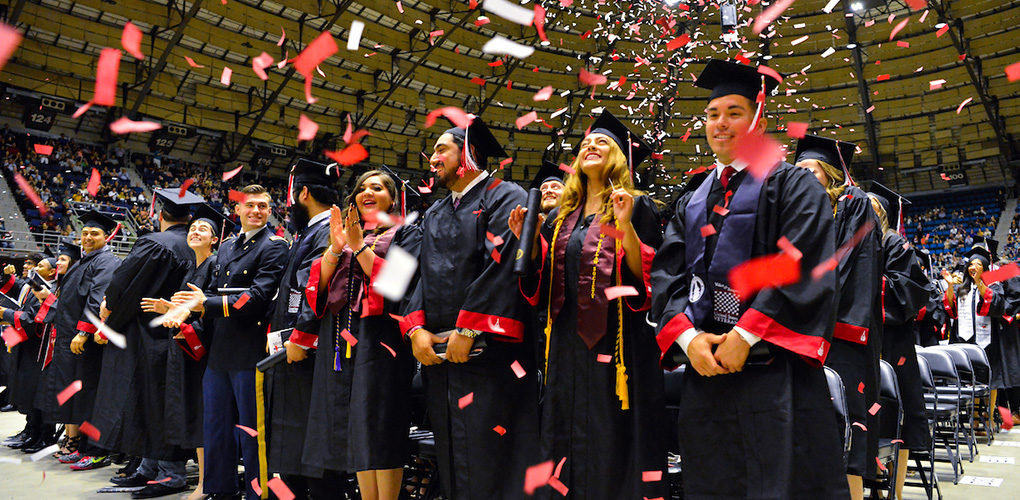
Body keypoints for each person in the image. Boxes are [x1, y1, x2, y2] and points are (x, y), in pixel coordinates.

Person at [650, 59, 849, 499]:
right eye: (712, 113)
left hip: (776, 377)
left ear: (758, 118)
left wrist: (746, 333)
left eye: (734, 112)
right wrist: (688, 340)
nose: (720, 123)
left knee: (781, 483)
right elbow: (668, 274)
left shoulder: (795, 186)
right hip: (705, 375)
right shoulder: (692, 200)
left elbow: (801, 263)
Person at [509, 111, 667, 499]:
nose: (590, 147)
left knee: (609, 435)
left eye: (601, 142)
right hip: (565, 346)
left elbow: (643, 282)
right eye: (585, 144)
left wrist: (625, 224)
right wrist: (526, 244)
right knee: (562, 435)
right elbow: (540, 287)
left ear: (619, 157)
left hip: (618, 346)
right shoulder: (560, 218)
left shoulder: (637, 206)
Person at [401, 117, 540, 499]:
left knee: (495, 456)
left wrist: (468, 330)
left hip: (491, 359)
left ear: (469, 153)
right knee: (452, 457)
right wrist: (416, 330)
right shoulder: (436, 212)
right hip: (442, 362)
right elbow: (419, 277)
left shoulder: (505, 195)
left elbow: (505, 267)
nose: (432, 159)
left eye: (440, 149)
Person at [309, 170, 421, 500]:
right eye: (361, 188)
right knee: (355, 425)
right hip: (341, 341)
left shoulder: (408, 232)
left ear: (393, 198)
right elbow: (318, 289)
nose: (367, 192)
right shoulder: (349, 235)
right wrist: (336, 247)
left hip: (381, 340)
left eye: (377, 187)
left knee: (380, 424)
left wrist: (358, 247)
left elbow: (397, 284)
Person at [171, 184, 288, 500]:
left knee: (252, 433)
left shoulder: (275, 246)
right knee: (216, 430)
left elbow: (258, 298)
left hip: (251, 352)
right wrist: (184, 315)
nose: (256, 211)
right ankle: (220, 491)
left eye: (263, 206)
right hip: (220, 352)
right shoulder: (226, 247)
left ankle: (257, 494)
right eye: (250, 205)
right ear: (237, 209)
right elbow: (207, 294)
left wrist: (205, 305)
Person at [90, 188, 205, 499]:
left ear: (160, 213)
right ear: (189, 217)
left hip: (145, 336)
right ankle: (149, 469)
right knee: (158, 403)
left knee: (152, 403)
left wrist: (109, 312)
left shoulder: (156, 243)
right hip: (178, 336)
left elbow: (123, 283)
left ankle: (169, 474)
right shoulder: (194, 245)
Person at [795, 134, 882, 498]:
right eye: (794, 170)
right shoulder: (793, 213)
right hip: (800, 336)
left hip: (840, 334)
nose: (799, 177)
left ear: (830, 174)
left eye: (809, 170)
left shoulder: (853, 204)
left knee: (847, 429)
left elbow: (849, 264)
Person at [263, 159, 341, 499]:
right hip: (294, 351)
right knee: (294, 444)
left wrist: (301, 337)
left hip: (309, 353)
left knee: (313, 448)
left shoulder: (325, 232)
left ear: (304, 193)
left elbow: (316, 289)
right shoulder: (310, 232)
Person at [148, 203, 236, 500]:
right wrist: (169, 308)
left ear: (216, 239)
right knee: (194, 415)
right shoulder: (190, 267)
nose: (196, 230)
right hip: (188, 349)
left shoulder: (215, 266)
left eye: (204, 229)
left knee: (203, 417)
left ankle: (205, 484)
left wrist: (183, 315)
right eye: (193, 226)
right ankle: (204, 480)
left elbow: (208, 309)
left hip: (205, 352)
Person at [35, 211, 122, 470]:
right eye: (84, 233)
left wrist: (84, 331)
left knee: (91, 395)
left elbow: (98, 297)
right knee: (77, 396)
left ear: (107, 238)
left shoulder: (106, 261)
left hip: (85, 342)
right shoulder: (86, 261)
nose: (88, 237)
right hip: (69, 340)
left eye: (94, 234)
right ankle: (80, 445)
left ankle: (96, 450)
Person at [866, 186, 931, 500]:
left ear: (881, 213)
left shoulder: (893, 242)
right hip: (863, 344)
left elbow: (910, 290)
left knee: (899, 416)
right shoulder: (854, 245)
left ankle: (897, 490)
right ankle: (873, 482)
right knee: (871, 416)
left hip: (893, 346)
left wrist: (862, 283)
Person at [0, 254, 57, 453]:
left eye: (37, 265)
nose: (30, 267)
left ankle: (43, 435)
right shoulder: (34, 287)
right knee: (27, 391)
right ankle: (30, 430)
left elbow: (33, 320)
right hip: (29, 347)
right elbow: (18, 291)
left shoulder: (49, 291)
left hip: (41, 349)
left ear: (51, 271)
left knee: (38, 394)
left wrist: (4, 314)